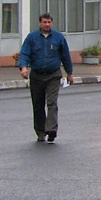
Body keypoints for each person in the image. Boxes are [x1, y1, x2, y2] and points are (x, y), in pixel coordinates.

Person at [18, 13, 74, 143]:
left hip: (53, 75)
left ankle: (52, 129)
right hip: (37, 75)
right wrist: (24, 67)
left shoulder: (58, 37)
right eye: (44, 22)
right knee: (38, 105)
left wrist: (69, 73)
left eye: (49, 22)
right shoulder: (32, 38)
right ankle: (41, 131)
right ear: (39, 23)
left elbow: (65, 56)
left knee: (52, 103)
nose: (47, 24)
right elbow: (25, 53)